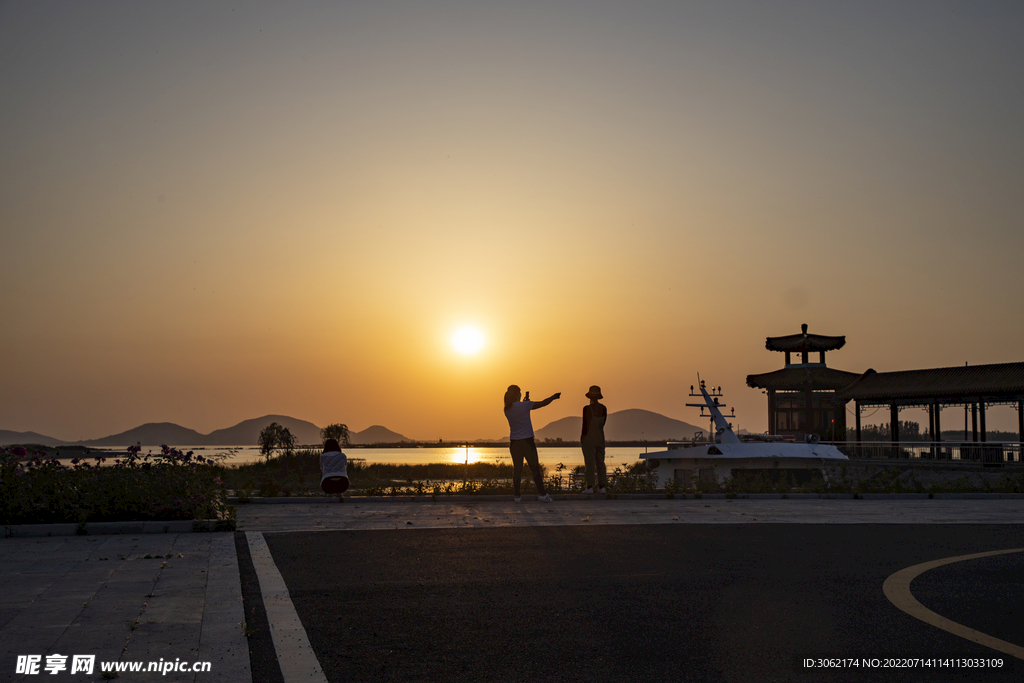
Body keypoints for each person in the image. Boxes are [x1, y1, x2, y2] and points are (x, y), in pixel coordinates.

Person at [503, 384, 560, 502]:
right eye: (519, 393)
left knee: (517, 469)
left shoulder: (507, 409)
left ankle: (517, 496)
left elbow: (519, 411)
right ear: (517, 394)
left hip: (514, 443)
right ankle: (543, 494)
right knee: (535, 469)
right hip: (527, 442)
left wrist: (525, 404)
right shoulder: (525, 405)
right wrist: (553, 397)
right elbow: (543, 403)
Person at [580, 385, 608, 494]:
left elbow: (585, 425)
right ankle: (602, 487)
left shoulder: (587, 409)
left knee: (589, 463)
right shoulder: (603, 408)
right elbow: (603, 424)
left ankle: (590, 486)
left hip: (588, 438)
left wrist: (583, 438)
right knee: (600, 462)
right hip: (600, 437)